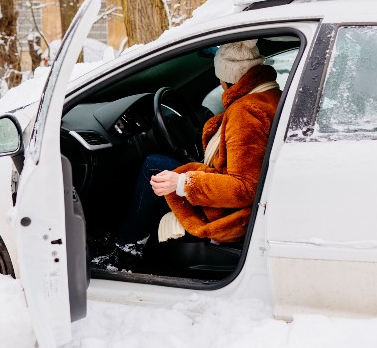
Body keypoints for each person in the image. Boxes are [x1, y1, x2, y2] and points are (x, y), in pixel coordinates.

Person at [94, 39, 282, 271]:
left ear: (227, 77)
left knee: (153, 166)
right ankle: (125, 242)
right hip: (242, 206)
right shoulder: (269, 96)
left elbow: (245, 188)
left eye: (219, 77)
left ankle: (125, 251)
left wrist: (183, 182)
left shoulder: (245, 112)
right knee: (159, 166)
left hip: (231, 215)